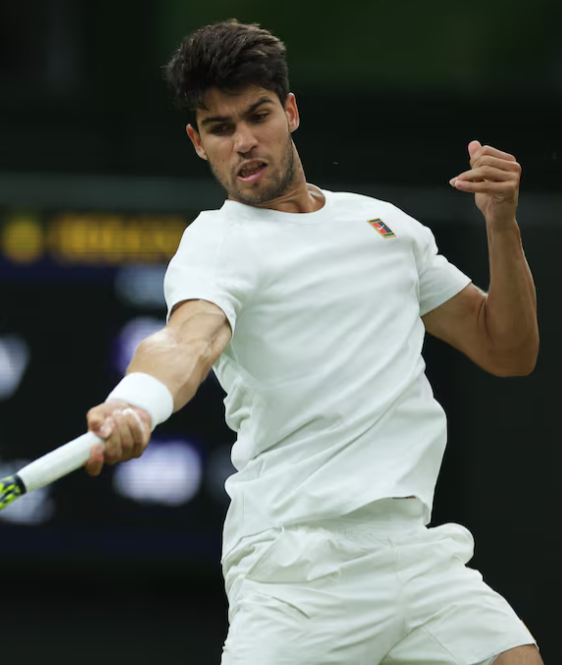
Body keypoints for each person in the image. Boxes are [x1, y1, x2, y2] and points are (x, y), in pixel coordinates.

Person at [83, 20, 541, 665]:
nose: (244, 141)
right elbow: (187, 343)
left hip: (416, 552)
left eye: (258, 115)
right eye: (219, 127)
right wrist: (136, 401)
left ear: (290, 112)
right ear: (197, 142)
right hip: (297, 566)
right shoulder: (217, 242)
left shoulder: (388, 228)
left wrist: (503, 226)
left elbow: (507, 349)